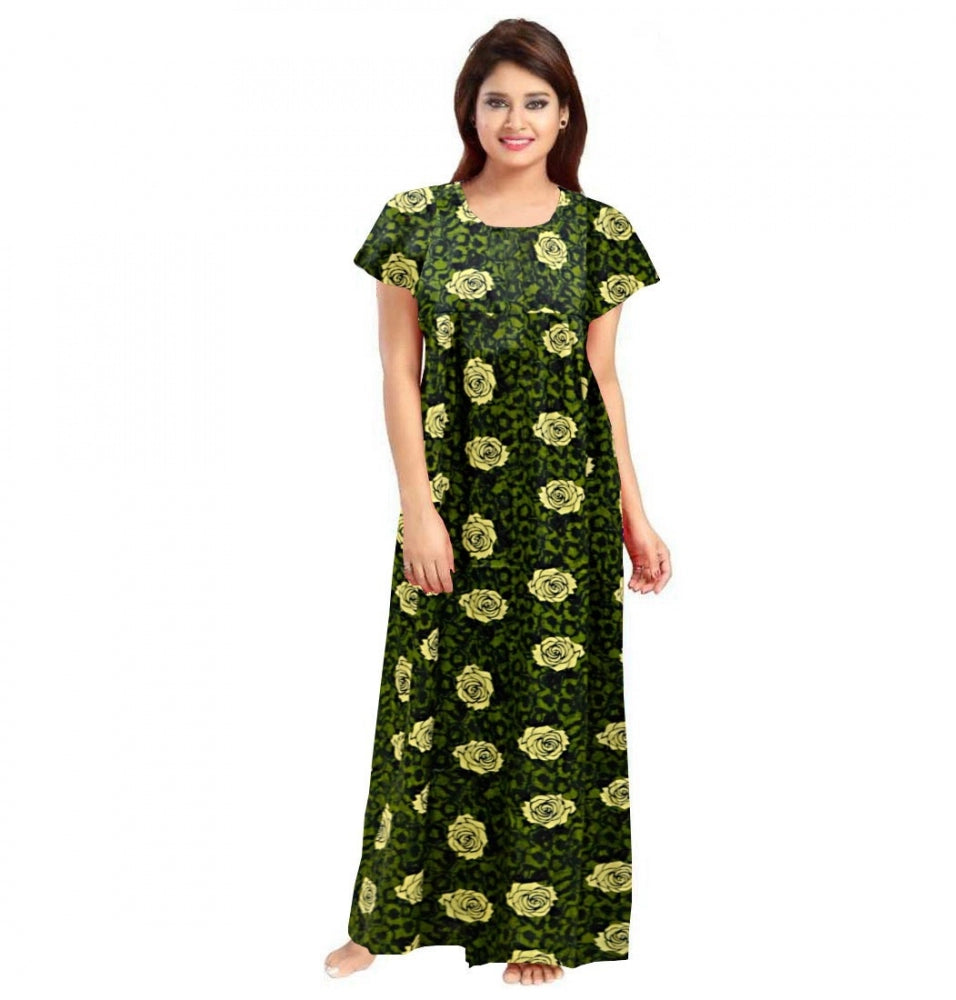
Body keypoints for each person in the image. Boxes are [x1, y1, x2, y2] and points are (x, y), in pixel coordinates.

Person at [324, 18, 672, 987]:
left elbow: (603, 383)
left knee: (550, 710)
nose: (515, 119)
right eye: (497, 100)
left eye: (535, 101)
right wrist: (418, 506)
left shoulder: (599, 234)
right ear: (469, 111)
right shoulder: (415, 222)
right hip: (452, 504)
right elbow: (398, 374)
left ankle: (538, 923)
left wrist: (634, 517)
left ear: (564, 116)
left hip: (565, 521)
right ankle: (386, 919)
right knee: (423, 703)